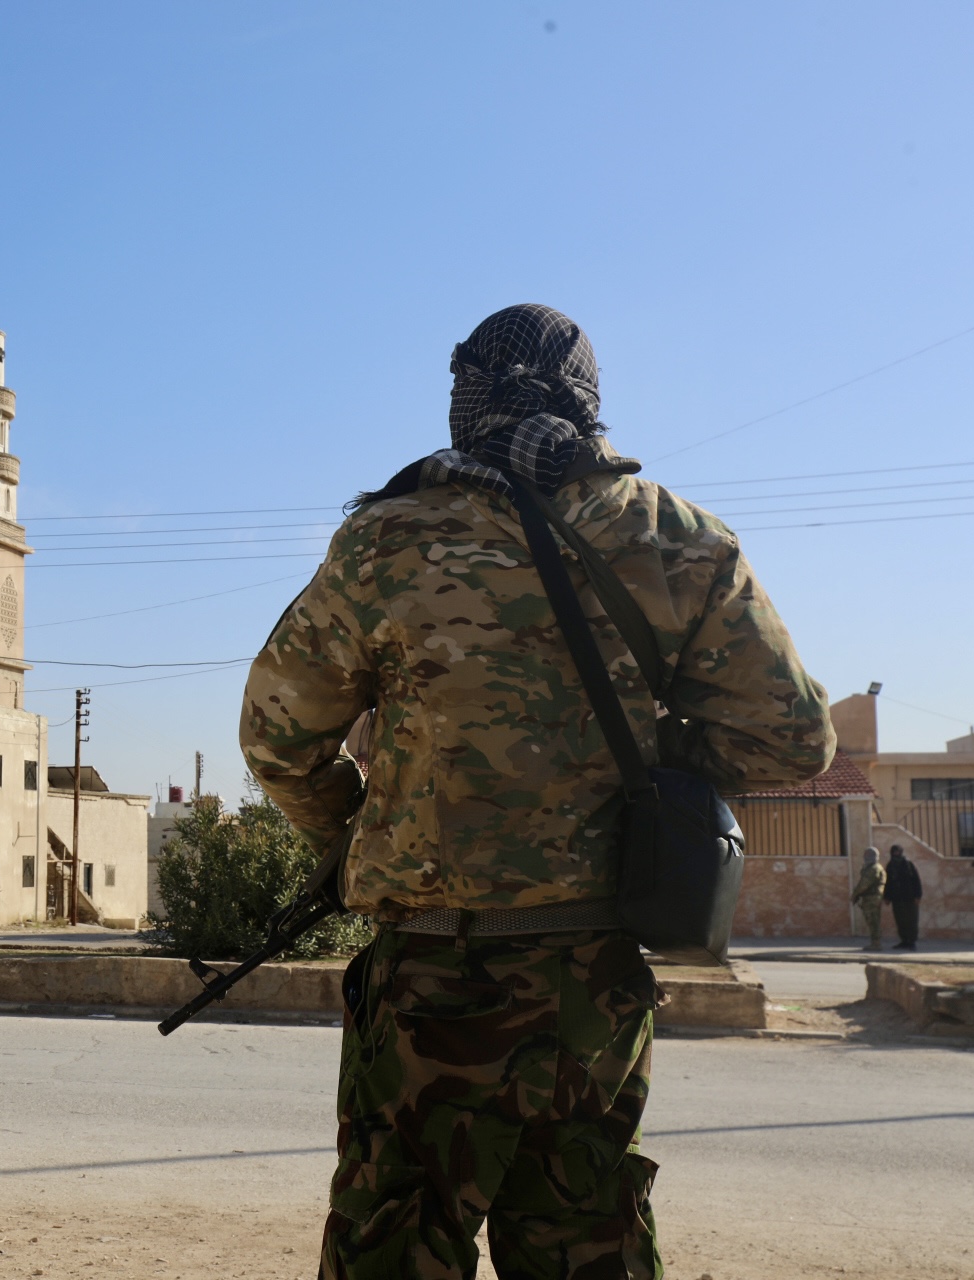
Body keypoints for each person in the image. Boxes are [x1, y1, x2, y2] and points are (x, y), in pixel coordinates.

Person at [240, 303, 834, 1280]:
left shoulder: (384, 543)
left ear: (464, 402)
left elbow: (276, 736)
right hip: (590, 980)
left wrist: (351, 832)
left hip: (430, 976)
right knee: (585, 1242)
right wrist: (653, 750)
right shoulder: (680, 541)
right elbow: (795, 739)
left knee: (394, 1236)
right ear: (590, 407)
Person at [883, 844, 922, 950]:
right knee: (900, 920)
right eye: (894, 851)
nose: (896, 853)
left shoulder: (908, 864)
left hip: (910, 898)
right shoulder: (890, 865)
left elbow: (916, 881)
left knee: (912, 920)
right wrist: (887, 897)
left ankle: (912, 941)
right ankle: (904, 941)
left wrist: (918, 896)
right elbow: (888, 882)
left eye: (897, 851)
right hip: (897, 898)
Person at [851, 847, 887, 951]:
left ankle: (876, 944)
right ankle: (875, 942)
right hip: (872, 897)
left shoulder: (873, 868)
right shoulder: (873, 867)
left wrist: (855, 894)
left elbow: (864, 884)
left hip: (872, 898)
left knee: (873, 921)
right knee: (872, 920)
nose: (865, 857)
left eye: (866, 855)